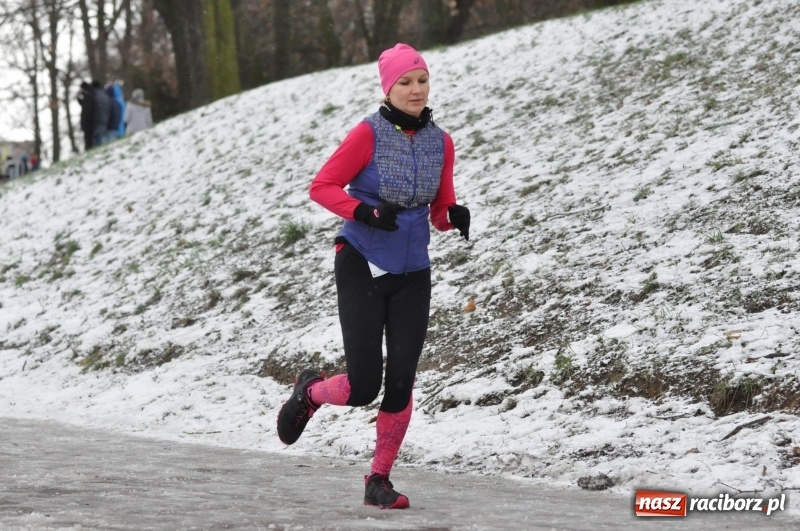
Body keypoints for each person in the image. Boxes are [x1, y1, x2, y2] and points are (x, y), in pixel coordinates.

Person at [277, 43, 471, 510]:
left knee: (401, 379)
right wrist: (363, 211)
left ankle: (378, 480)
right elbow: (321, 186)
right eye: (405, 82)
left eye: (421, 80)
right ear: (388, 87)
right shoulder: (367, 134)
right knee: (365, 386)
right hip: (362, 259)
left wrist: (453, 217)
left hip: (413, 270)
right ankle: (312, 391)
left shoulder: (440, 141)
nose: (415, 90)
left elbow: (439, 209)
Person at [77, 81, 95, 151]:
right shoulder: (90, 94)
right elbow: (83, 104)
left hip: (88, 122)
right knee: (89, 139)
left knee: (88, 139)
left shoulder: (88, 95)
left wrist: (83, 122)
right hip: (90, 121)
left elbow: (86, 109)